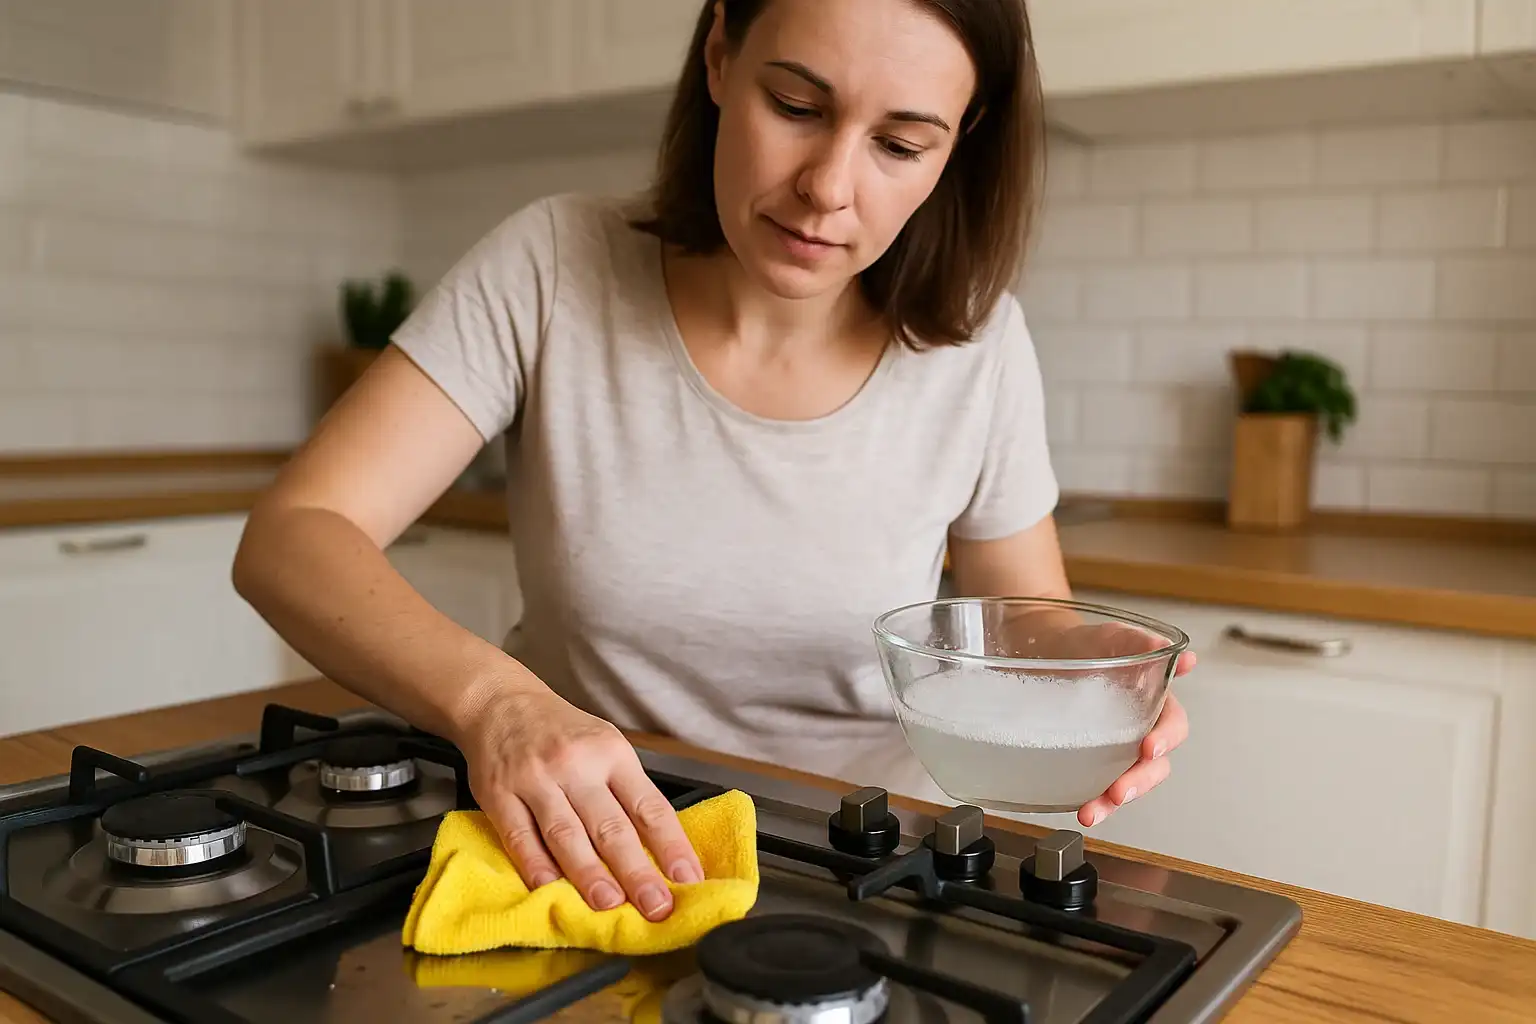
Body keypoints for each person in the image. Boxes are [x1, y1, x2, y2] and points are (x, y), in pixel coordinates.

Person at [233, 0, 1193, 926]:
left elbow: (1028, 625)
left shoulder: (979, 345)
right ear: (721, 54)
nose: (828, 185)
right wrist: (498, 705)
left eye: (900, 145)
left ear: (958, 143)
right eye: (797, 106)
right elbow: (294, 535)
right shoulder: (553, 263)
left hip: (854, 872)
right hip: (579, 855)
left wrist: (1095, 673)